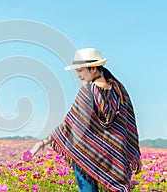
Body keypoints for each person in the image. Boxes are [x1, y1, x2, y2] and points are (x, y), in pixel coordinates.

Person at [29, 48, 142, 192]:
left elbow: (68, 124)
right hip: (114, 161)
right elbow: (129, 126)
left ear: (93, 69)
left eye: (80, 71)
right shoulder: (120, 91)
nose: (78, 75)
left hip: (86, 156)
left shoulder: (87, 92)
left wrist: (43, 142)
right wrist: (134, 154)